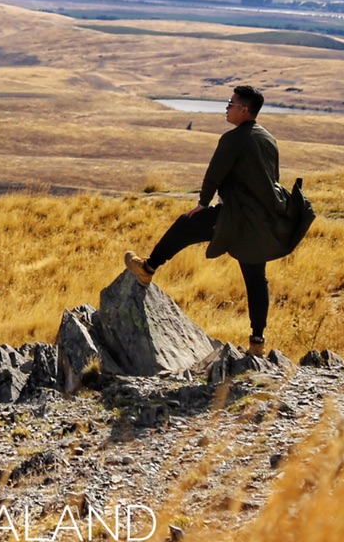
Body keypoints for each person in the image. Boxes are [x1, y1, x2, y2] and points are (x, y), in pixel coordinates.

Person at [124, 84, 298, 358]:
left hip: (235, 217)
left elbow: (214, 175)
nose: (227, 108)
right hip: (261, 221)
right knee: (256, 278)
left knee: (185, 225)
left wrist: (202, 204)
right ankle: (257, 342)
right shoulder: (269, 139)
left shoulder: (233, 139)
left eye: (230, 104)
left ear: (243, 110)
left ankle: (147, 268)